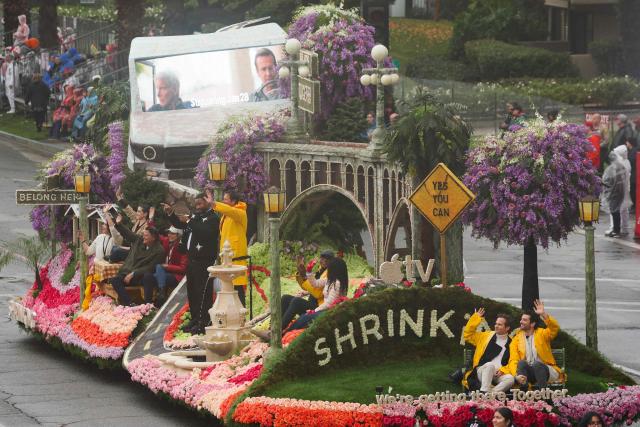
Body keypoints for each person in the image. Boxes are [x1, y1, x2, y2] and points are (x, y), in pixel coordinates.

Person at [164, 194, 220, 334]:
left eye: (200, 204)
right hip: (192, 259)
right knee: (193, 293)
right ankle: (195, 320)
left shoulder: (213, 218)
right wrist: (171, 213)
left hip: (204, 261)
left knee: (203, 293)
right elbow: (180, 224)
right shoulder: (196, 217)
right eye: (196, 204)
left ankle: (204, 322)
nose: (198, 207)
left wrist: (190, 220)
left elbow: (204, 232)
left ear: (207, 203)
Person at [507, 299, 565, 390]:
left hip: (546, 370)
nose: (521, 322)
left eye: (524, 320)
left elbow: (554, 328)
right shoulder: (516, 340)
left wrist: (543, 314)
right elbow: (513, 360)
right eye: (521, 319)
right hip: (529, 373)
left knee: (537, 365)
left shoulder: (542, 334)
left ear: (532, 324)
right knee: (521, 363)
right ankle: (524, 393)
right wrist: (516, 375)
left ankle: (545, 396)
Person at [206, 189, 248, 304]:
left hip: (236, 257)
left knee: (237, 289)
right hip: (227, 258)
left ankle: (241, 317)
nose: (223, 201)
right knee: (229, 289)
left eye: (226, 199)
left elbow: (229, 210)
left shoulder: (240, 213)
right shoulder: (227, 215)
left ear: (233, 201)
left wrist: (213, 203)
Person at [110, 220, 165, 306]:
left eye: (146, 235)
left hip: (141, 276)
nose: (143, 237)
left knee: (148, 276)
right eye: (143, 235)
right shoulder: (139, 240)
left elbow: (151, 267)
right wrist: (118, 224)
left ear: (153, 237)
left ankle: (148, 305)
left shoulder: (159, 250)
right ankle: (130, 303)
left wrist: (134, 273)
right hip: (127, 273)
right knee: (114, 280)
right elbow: (128, 234)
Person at [288, 256, 349, 331]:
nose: (328, 269)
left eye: (330, 267)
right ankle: (283, 332)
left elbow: (329, 304)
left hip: (329, 312)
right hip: (323, 309)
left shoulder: (337, 283)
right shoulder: (330, 280)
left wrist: (314, 311)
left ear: (335, 269)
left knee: (304, 318)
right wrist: (309, 271)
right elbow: (315, 283)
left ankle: (285, 334)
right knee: (302, 317)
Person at [462, 308, 514, 393]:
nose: (496, 326)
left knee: (510, 379)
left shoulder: (512, 342)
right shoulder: (486, 336)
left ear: (507, 328)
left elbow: (513, 362)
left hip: (499, 374)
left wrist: (503, 371)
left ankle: (488, 394)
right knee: (490, 365)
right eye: (496, 324)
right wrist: (476, 318)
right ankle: (485, 391)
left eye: (500, 325)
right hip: (482, 370)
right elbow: (468, 335)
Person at [280, 251, 334, 330]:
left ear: (331, 262)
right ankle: (274, 327)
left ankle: (278, 331)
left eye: (326, 259)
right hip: (311, 304)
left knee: (297, 301)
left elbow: (317, 293)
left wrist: (304, 276)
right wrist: (301, 274)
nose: (322, 261)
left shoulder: (330, 272)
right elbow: (307, 286)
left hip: (319, 308)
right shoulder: (321, 270)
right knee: (285, 298)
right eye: (322, 258)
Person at [142, 226, 187, 306]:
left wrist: (167, 266)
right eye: (169, 233)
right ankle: (148, 305)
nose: (169, 235)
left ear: (179, 235)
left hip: (177, 276)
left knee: (159, 267)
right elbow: (155, 234)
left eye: (172, 233)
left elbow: (183, 269)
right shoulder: (167, 241)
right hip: (163, 273)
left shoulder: (183, 247)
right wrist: (149, 224)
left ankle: (161, 293)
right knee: (147, 276)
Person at [603, 149, 626, 238]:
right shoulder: (620, 166)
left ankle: (616, 230)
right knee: (616, 211)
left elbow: (606, 181)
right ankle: (616, 229)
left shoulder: (611, 169)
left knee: (614, 212)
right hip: (620, 192)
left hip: (614, 193)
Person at [614, 145, 632, 234]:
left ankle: (615, 228)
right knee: (624, 209)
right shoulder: (627, 162)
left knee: (617, 210)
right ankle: (625, 228)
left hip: (620, 189)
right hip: (625, 189)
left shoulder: (620, 163)